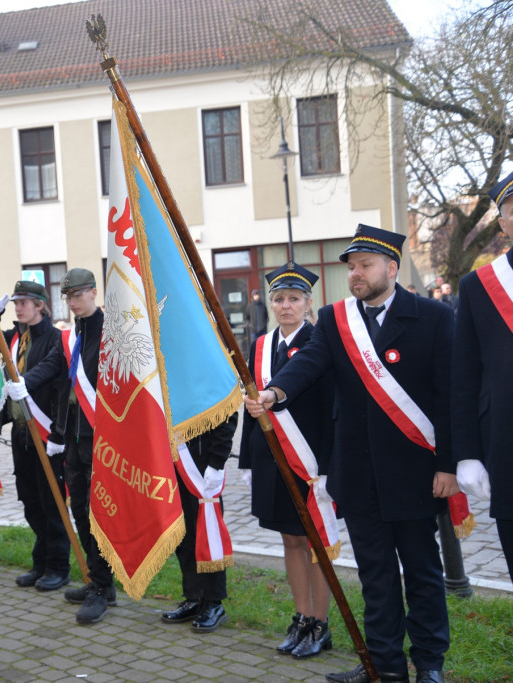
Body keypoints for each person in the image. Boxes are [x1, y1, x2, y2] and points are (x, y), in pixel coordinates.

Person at [245, 224, 456, 683]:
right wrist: (275, 392)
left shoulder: (434, 318)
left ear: (391, 268)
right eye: (352, 267)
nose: (355, 274)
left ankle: (430, 665)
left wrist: (448, 465)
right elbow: (309, 362)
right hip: (358, 475)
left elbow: (450, 397)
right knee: (376, 577)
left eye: (364, 266)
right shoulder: (338, 320)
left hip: (417, 474)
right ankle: (384, 666)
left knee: (421, 574)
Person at [237, 263, 335, 657]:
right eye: (279, 299)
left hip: (309, 462)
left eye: (294, 298)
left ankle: (321, 624)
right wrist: (245, 460)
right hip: (272, 459)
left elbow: (330, 408)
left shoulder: (320, 340)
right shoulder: (261, 345)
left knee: (316, 544)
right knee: (290, 540)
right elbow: (249, 403)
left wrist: (328, 468)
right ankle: (301, 617)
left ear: (308, 303)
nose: (286, 305)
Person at [9, 268, 116, 625]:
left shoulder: (110, 332)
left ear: (94, 293)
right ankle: (97, 580)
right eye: (68, 297)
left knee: (98, 516)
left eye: (78, 295)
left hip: (102, 440)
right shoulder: (70, 337)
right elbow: (53, 367)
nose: (72, 302)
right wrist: (24, 383)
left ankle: (103, 586)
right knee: (81, 513)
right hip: (72, 438)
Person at [452, 170, 513, 579]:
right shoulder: (479, 285)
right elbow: (464, 374)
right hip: (506, 443)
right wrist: (468, 453)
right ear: (502, 221)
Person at [0, 280, 69, 590]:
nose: (18, 307)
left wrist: (26, 380)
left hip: (46, 433)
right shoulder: (14, 338)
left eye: (24, 303)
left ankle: (58, 566)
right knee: (31, 501)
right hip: (22, 433)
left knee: (52, 503)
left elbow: (54, 369)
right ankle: (41, 562)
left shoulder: (55, 338)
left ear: (40, 306)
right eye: (15, 303)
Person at [160, 413, 237, 634]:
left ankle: (214, 602)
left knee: (207, 531)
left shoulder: (211, 375)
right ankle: (194, 597)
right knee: (183, 532)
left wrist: (218, 459)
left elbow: (227, 411)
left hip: (203, 457)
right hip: (173, 451)